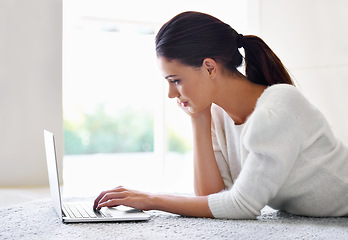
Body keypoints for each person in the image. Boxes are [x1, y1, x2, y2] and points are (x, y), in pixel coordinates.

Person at [93, 11, 348, 219]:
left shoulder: (278, 107)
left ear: (209, 67)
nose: (171, 94)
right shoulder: (217, 114)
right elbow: (211, 198)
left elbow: (242, 206)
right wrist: (199, 119)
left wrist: (151, 200)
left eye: (176, 80)